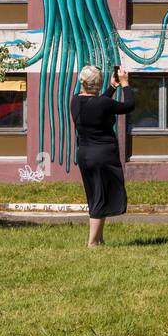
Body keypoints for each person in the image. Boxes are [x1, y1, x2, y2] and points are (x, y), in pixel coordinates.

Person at [70, 65, 132, 246]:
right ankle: (92, 242)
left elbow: (97, 104)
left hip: (85, 154)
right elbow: (129, 105)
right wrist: (125, 84)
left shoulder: (75, 101)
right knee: (99, 197)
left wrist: (112, 88)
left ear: (82, 82)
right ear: (98, 83)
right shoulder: (102, 104)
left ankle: (99, 240)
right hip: (103, 155)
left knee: (96, 194)